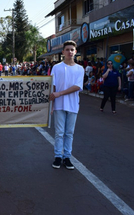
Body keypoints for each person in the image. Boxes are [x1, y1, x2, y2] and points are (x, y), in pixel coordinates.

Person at [49, 40, 84, 170]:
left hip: (73, 105)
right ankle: (58, 156)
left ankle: (67, 157)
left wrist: (60, 93)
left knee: (69, 133)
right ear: (63, 52)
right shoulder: (56, 67)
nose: (69, 52)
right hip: (59, 105)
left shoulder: (80, 69)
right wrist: (52, 104)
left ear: (75, 52)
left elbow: (77, 86)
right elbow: (52, 85)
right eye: (67, 49)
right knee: (59, 132)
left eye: (72, 50)